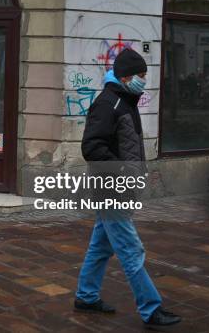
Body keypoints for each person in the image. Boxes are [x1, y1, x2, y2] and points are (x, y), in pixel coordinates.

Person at [74, 49, 182, 327]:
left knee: (100, 246)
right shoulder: (108, 103)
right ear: (125, 76)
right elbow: (91, 147)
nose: (144, 80)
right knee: (131, 250)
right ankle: (151, 309)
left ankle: (86, 296)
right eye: (141, 76)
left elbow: (127, 145)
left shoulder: (125, 99)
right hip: (112, 189)